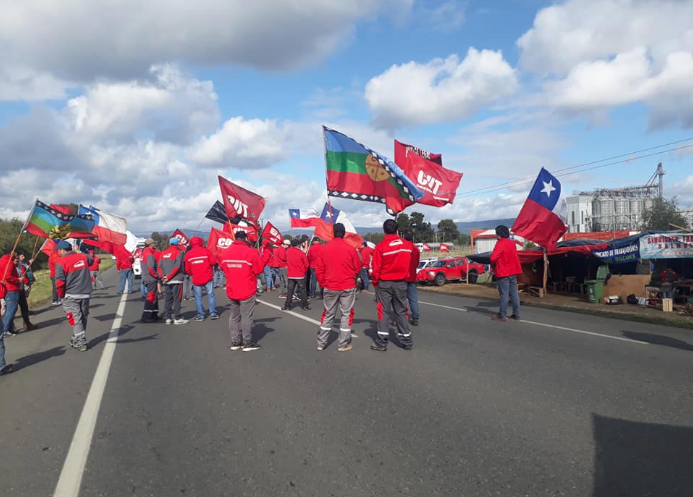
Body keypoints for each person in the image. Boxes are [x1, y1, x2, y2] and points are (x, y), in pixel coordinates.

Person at [315, 223, 361, 352]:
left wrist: (323, 284)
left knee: (329, 314)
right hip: (347, 286)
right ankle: (342, 344)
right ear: (344, 233)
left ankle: (321, 343)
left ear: (333, 233)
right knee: (345, 315)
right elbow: (357, 267)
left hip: (330, 285)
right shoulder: (350, 249)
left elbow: (319, 269)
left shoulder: (324, 249)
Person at [370, 219, 413, 352]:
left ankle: (382, 343)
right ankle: (407, 341)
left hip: (384, 283)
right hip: (401, 282)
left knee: (384, 312)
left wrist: (376, 282)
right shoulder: (408, 245)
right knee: (401, 311)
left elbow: (375, 268)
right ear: (397, 230)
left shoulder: (381, 246)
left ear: (384, 230)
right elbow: (413, 262)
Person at [217, 231, 263, 351]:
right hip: (246, 290)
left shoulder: (226, 253)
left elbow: (222, 267)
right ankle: (247, 343)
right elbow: (258, 270)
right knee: (246, 317)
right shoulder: (250, 252)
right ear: (245, 238)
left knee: (234, 317)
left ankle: (235, 342)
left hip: (232, 289)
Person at [55, 241, 93, 352]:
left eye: (58, 250)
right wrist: (79, 252)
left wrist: (61, 295)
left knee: (76, 319)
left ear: (63, 250)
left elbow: (60, 282)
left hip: (71, 295)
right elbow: (91, 260)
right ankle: (76, 338)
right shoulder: (83, 257)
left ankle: (80, 342)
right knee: (83, 317)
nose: (58, 252)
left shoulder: (61, 262)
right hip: (85, 293)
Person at [489, 225, 521, 321]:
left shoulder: (500, 243)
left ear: (499, 234)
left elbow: (493, 258)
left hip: (503, 272)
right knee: (514, 294)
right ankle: (516, 314)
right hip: (513, 271)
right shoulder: (512, 243)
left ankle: (502, 314)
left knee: (504, 294)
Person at [184, 236, 219, 321]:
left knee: (198, 297)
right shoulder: (206, 251)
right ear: (200, 242)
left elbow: (187, 269)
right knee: (210, 295)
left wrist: (193, 273)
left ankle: (200, 315)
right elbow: (213, 262)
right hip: (208, 277)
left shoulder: (188, 254)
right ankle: (213, 313)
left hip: (196, 278)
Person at [159, 237, 188, 325]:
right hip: (176, 280)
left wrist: (163, 277)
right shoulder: (178, 253)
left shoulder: (163, 253)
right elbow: (177, 266)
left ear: (169, 244)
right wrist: (169, 276)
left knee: (168, 299)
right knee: (177, 299)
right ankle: (177, 317)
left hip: (166, 281)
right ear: (177, 244)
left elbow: (159, 267)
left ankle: (168, 317)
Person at [283, 238, 309, 311]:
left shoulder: (288, 252)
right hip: (300, 274)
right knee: (302, 290)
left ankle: (287, 305)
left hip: (291, 274)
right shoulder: (300, 253)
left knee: (290, 290)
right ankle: (304, 305)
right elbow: (306, 264)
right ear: (298, 244)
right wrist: (304, 271)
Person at [0, 251, 21, 338]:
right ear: (11, 252)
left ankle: (9, 327)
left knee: (10, 308)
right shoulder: (9, 263)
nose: (16, 255)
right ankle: (5, 329)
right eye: (15, 253)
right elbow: (8, 276)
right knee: (12, 309)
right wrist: (18, 279)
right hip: (11, 288)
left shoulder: (2, 260)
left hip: (5, 287)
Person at [402, 230, 421, 326]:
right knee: (413, 299)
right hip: (412, 276)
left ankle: (402, 317)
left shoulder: (403, 248)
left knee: (401, 299)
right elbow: (417, 263)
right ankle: (415, 317)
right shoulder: (416, 249)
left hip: (403, 277)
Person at [140, 238, 160, 323]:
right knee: (151, 297)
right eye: (153, 243)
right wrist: (157, 275)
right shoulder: (149, 255)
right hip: (151, 278)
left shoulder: (144, 253)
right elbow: (150, 268)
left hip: (146, 277)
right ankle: (146, 316)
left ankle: (154, 314)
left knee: (154, 297)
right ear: (151, 244)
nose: (154, 245)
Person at [15, 253, 35, 331]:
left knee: (24, 306)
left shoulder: (22, 264)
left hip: (22, 287)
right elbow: (23, 274)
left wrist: (30, 263)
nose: (23, 257)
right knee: (12, 308)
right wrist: (25, 281)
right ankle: (7, 327)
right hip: (15, 289)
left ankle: (26, 323)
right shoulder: (15, 266)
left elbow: (28, 269)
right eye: (21, 256)